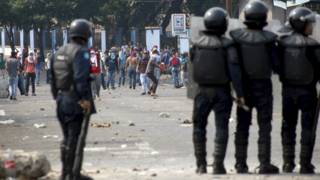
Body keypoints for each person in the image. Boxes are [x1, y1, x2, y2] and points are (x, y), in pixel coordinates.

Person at [190, 7, 244, 174]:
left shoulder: (196, 45)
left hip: (201, 91)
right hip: (222, 92)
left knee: (199, 127)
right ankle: (218, 164)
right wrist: (240, 93)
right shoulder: (228, 46)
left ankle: (201, 164)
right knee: (222, 127)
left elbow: (192, 67)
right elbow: (235, 71)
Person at [229, 0, 279, 174]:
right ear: (264, 18)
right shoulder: (269, 40)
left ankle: (240, 164)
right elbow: (277, 66)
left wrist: (238, 91)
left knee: (242, 127)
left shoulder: (236, 38)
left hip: (243, 87)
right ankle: (264, 163)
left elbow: (233, 66)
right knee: (264, 126)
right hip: (264, 87)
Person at [50, 19, 95, 180]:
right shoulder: (81, 52)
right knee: (76, 140)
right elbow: (80, 78)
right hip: (75, 101)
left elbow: (53, 79)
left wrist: (58, 97)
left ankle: (65, 173)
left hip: (61, 100)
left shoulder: (59, 52)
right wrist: (85, 100)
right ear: (85, 35)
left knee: (67, 139)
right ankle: (72, 174)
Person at [278, 7, 320, 174]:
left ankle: (288, 162)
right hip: (308, 92)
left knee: (287, 126)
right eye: (309, 24)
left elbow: (277, 65)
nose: (311, 27)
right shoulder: (313, 45)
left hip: (287, 92)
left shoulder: (282, 44)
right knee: (308, 128)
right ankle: (305, 163)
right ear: (301, 24)